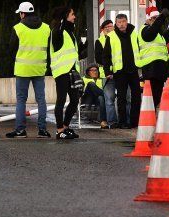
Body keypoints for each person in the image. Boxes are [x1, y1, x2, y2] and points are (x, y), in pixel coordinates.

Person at [6, 2, 51, 139]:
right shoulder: (46, 28)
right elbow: (49, 49)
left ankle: (20, 130)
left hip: (22, 69)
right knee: (41, 100)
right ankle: (42, 130)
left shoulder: (18, 28)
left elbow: (11, 49)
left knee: (21, 100)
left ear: (23, 14)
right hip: (39, 69)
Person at [50, 5, 87, 140]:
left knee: (74, 100)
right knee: (61, 100)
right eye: (72, 14)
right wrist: (60, 22)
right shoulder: (57, 31)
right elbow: (57, 45)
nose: (75, 17)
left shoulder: (70, 32)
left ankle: (65, 126)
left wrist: (86, 43)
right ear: (65, 17)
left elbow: (75, 53)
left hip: (71, 71)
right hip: (61, 71)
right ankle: (59, 130)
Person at [103, 14, 141, 129]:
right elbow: (106, 56)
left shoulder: (135, 33)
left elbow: (140, 49)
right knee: (121, 97)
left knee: (136, 96)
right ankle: (122, 122)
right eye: (119, 22)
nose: (121, 24)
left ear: (127, 21)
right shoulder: (111, 36)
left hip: (134, 69)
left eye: (123, 21)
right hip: (119, 71)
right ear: (116, 23)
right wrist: (107, 71)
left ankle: (135, 121)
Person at [137, 6, 169, 108]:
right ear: (148, 19)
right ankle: (148, 119)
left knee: (157, 97)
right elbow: (152, 32)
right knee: (152, 98)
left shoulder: (157, 34)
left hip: (159, 70)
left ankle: (152, 118)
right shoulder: (145, 30)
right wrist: (162, 17)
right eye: (154, 18)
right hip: (151, 70)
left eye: (156, 18)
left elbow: (166, 37)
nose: (156, 21)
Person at [95, 20, 119, 128]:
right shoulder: (100, 41)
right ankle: (111, 122)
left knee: (125, 97)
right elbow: (99, 58)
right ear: (103, 29)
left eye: (112, 26)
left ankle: (122, 120)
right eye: (108, 27)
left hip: (118, 71)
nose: (110, 28)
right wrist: (109, 62)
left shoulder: (117, 37)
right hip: (106, 74)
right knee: (108, 99)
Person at [81, 64, 106, 128]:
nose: (94, 72)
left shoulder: (102, 79)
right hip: (87, 98)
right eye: (92, 70)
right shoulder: (84, 79)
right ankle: (106, 96)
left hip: (98, 99)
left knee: (101, 97)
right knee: (91, 84)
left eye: (96, 70)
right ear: (88, 72)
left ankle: (103, 121)